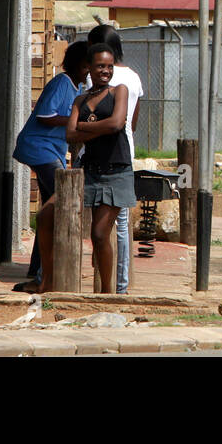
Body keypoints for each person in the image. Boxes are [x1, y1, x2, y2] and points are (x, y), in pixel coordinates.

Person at [12, 40, 90, 292]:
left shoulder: (75, 88)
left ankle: (38, 271)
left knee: (49, 211)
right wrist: (76, 120)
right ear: (80, 64)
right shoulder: (61, 83)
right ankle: (42, 275)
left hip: (51, 151)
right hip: (39, 149)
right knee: (57, 206)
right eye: (89, 65)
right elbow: (46, 115)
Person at [67, 43, 134, 293]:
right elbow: (70, 134)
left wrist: (85, 127)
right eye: (99, 66)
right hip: (90, 171)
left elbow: (117, 123)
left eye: (109, 66)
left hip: (116, 171)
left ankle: (107, 292)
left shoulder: (119, 92)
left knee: (98, 232)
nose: (105, 71)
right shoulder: (81, 99)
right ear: (89, 69)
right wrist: (97, 128)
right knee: (47, 217)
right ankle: (51, 282)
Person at [86, 25, 143, 294]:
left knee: (99, 230)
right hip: (126, 151)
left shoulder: (97, 76)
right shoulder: (133, 76)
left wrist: (92, 128)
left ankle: (106, 285)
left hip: (101, 155)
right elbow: (132, 122)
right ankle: (121, 285)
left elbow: (86, 121)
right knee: (120, 227)